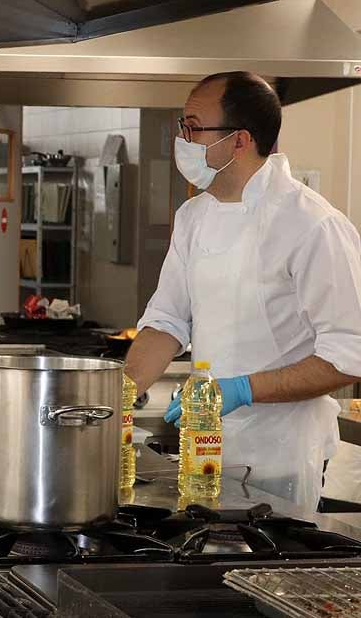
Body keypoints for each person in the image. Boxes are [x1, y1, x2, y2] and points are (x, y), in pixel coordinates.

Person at [126, 71, 361, 508]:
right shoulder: (194, 216)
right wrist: (119, 394)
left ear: (239, 140)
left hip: (281, 458)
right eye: (183, 127)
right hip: (204, 451)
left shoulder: (312, 225)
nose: (184, 139)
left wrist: (243, 389)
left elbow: (349, 354)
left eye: (194, 128)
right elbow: (167, 321)